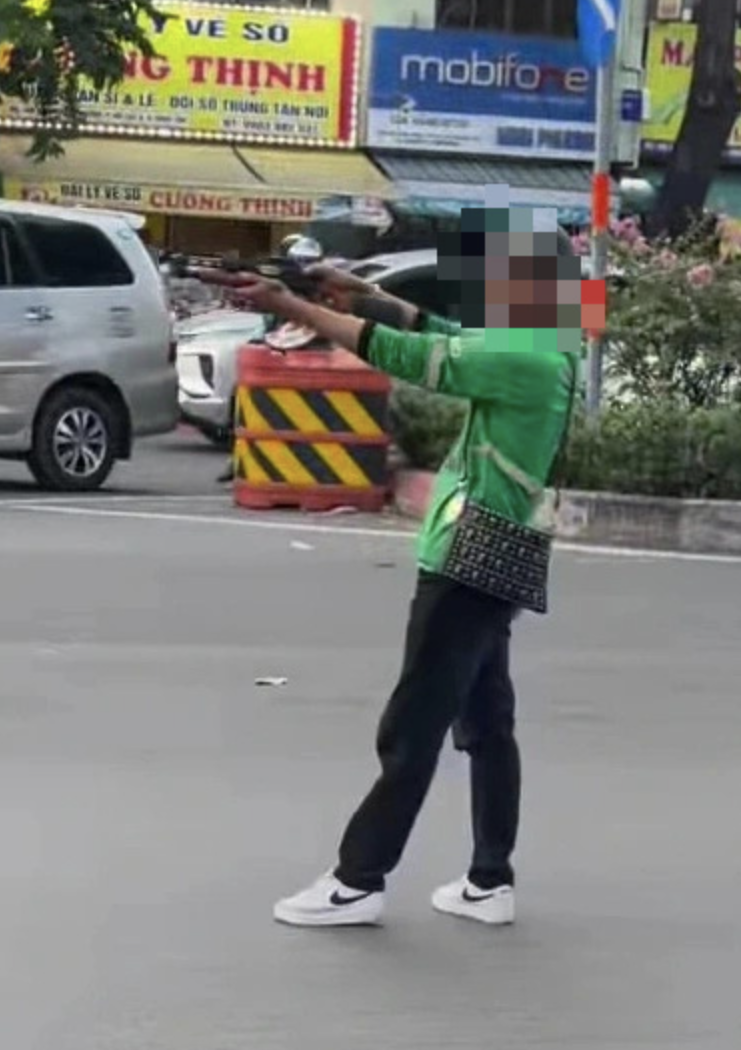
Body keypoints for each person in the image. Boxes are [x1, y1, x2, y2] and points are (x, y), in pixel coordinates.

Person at [196, 207, 583, 928]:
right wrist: (349, 289)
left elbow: (414, 357)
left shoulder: (524, 357)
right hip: (503, 552)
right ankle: (489, 881)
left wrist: (289, 304)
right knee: (486, 721)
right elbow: (441, 334)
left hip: (469, 557)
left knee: (414, 725)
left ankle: (358, 880)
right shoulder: (549, 343)